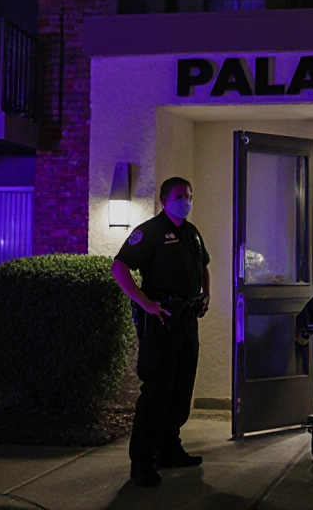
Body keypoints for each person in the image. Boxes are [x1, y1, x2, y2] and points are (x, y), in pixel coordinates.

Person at [111, 177, 211, 488]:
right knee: (156, 392)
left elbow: (204, 265)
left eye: (189, 195)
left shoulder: (191, 233)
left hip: (187, 320)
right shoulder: (151, 232)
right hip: (162, 322)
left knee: (181, 389)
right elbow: (119, 268)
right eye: (180, 196)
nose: (186, 200)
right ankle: (142, 461)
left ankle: (170, 447)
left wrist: (206, 295)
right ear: (164, 200)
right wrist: (147, 304)